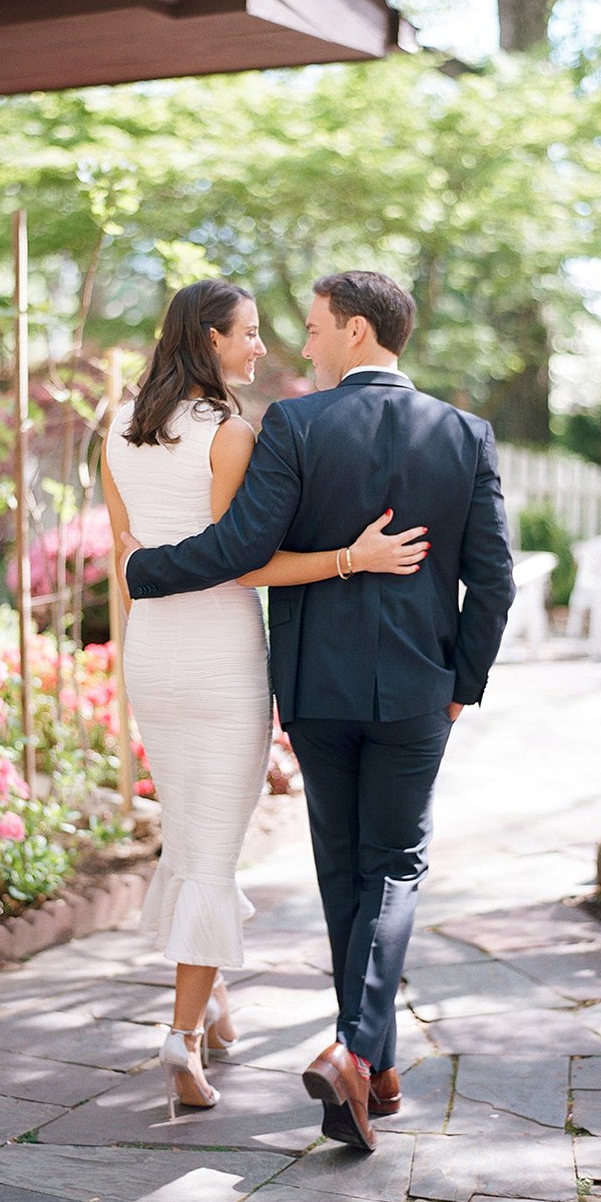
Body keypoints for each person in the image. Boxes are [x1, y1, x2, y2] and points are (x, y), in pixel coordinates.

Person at [123, 270, 514, 1152]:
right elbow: (493, 579)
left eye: (315, 327)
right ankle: (359, 1049)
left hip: (315, 688)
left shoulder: (296, 425)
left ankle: (366, 1059)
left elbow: (241, 547)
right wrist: (466, 680)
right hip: (418, 686)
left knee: (346, 870)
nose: (303, 344)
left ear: (358, 330)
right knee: (398, 866)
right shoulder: (465, 434)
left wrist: (146, 572)